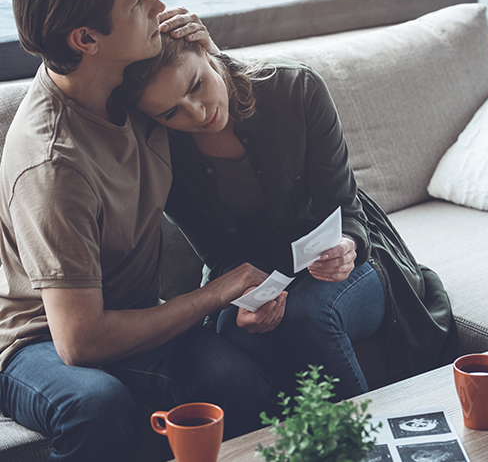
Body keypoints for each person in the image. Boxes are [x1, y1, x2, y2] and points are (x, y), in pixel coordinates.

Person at [0, 0, 277, 461]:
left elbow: (246, 126)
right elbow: (79, 344)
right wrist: (216, 292)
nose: (157, 6)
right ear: (86, 39)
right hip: (36, 342)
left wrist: (208, 55)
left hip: (128, 314)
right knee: (95, 403)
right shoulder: (53, 162)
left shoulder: (137, 91)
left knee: (235, 378)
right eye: (134, 1)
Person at [115, 33, 459, 400]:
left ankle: (355, 451)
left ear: (205, 50)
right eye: (171, 113)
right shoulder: (163, 153)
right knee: (236, 332)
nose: (197, 112)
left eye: (197, 85)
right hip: (258, 270)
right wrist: (245, 302)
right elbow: (218, 255)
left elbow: (345, 208)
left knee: (310, 315)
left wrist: (346, 245)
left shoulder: (294, 88)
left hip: (351, 253)